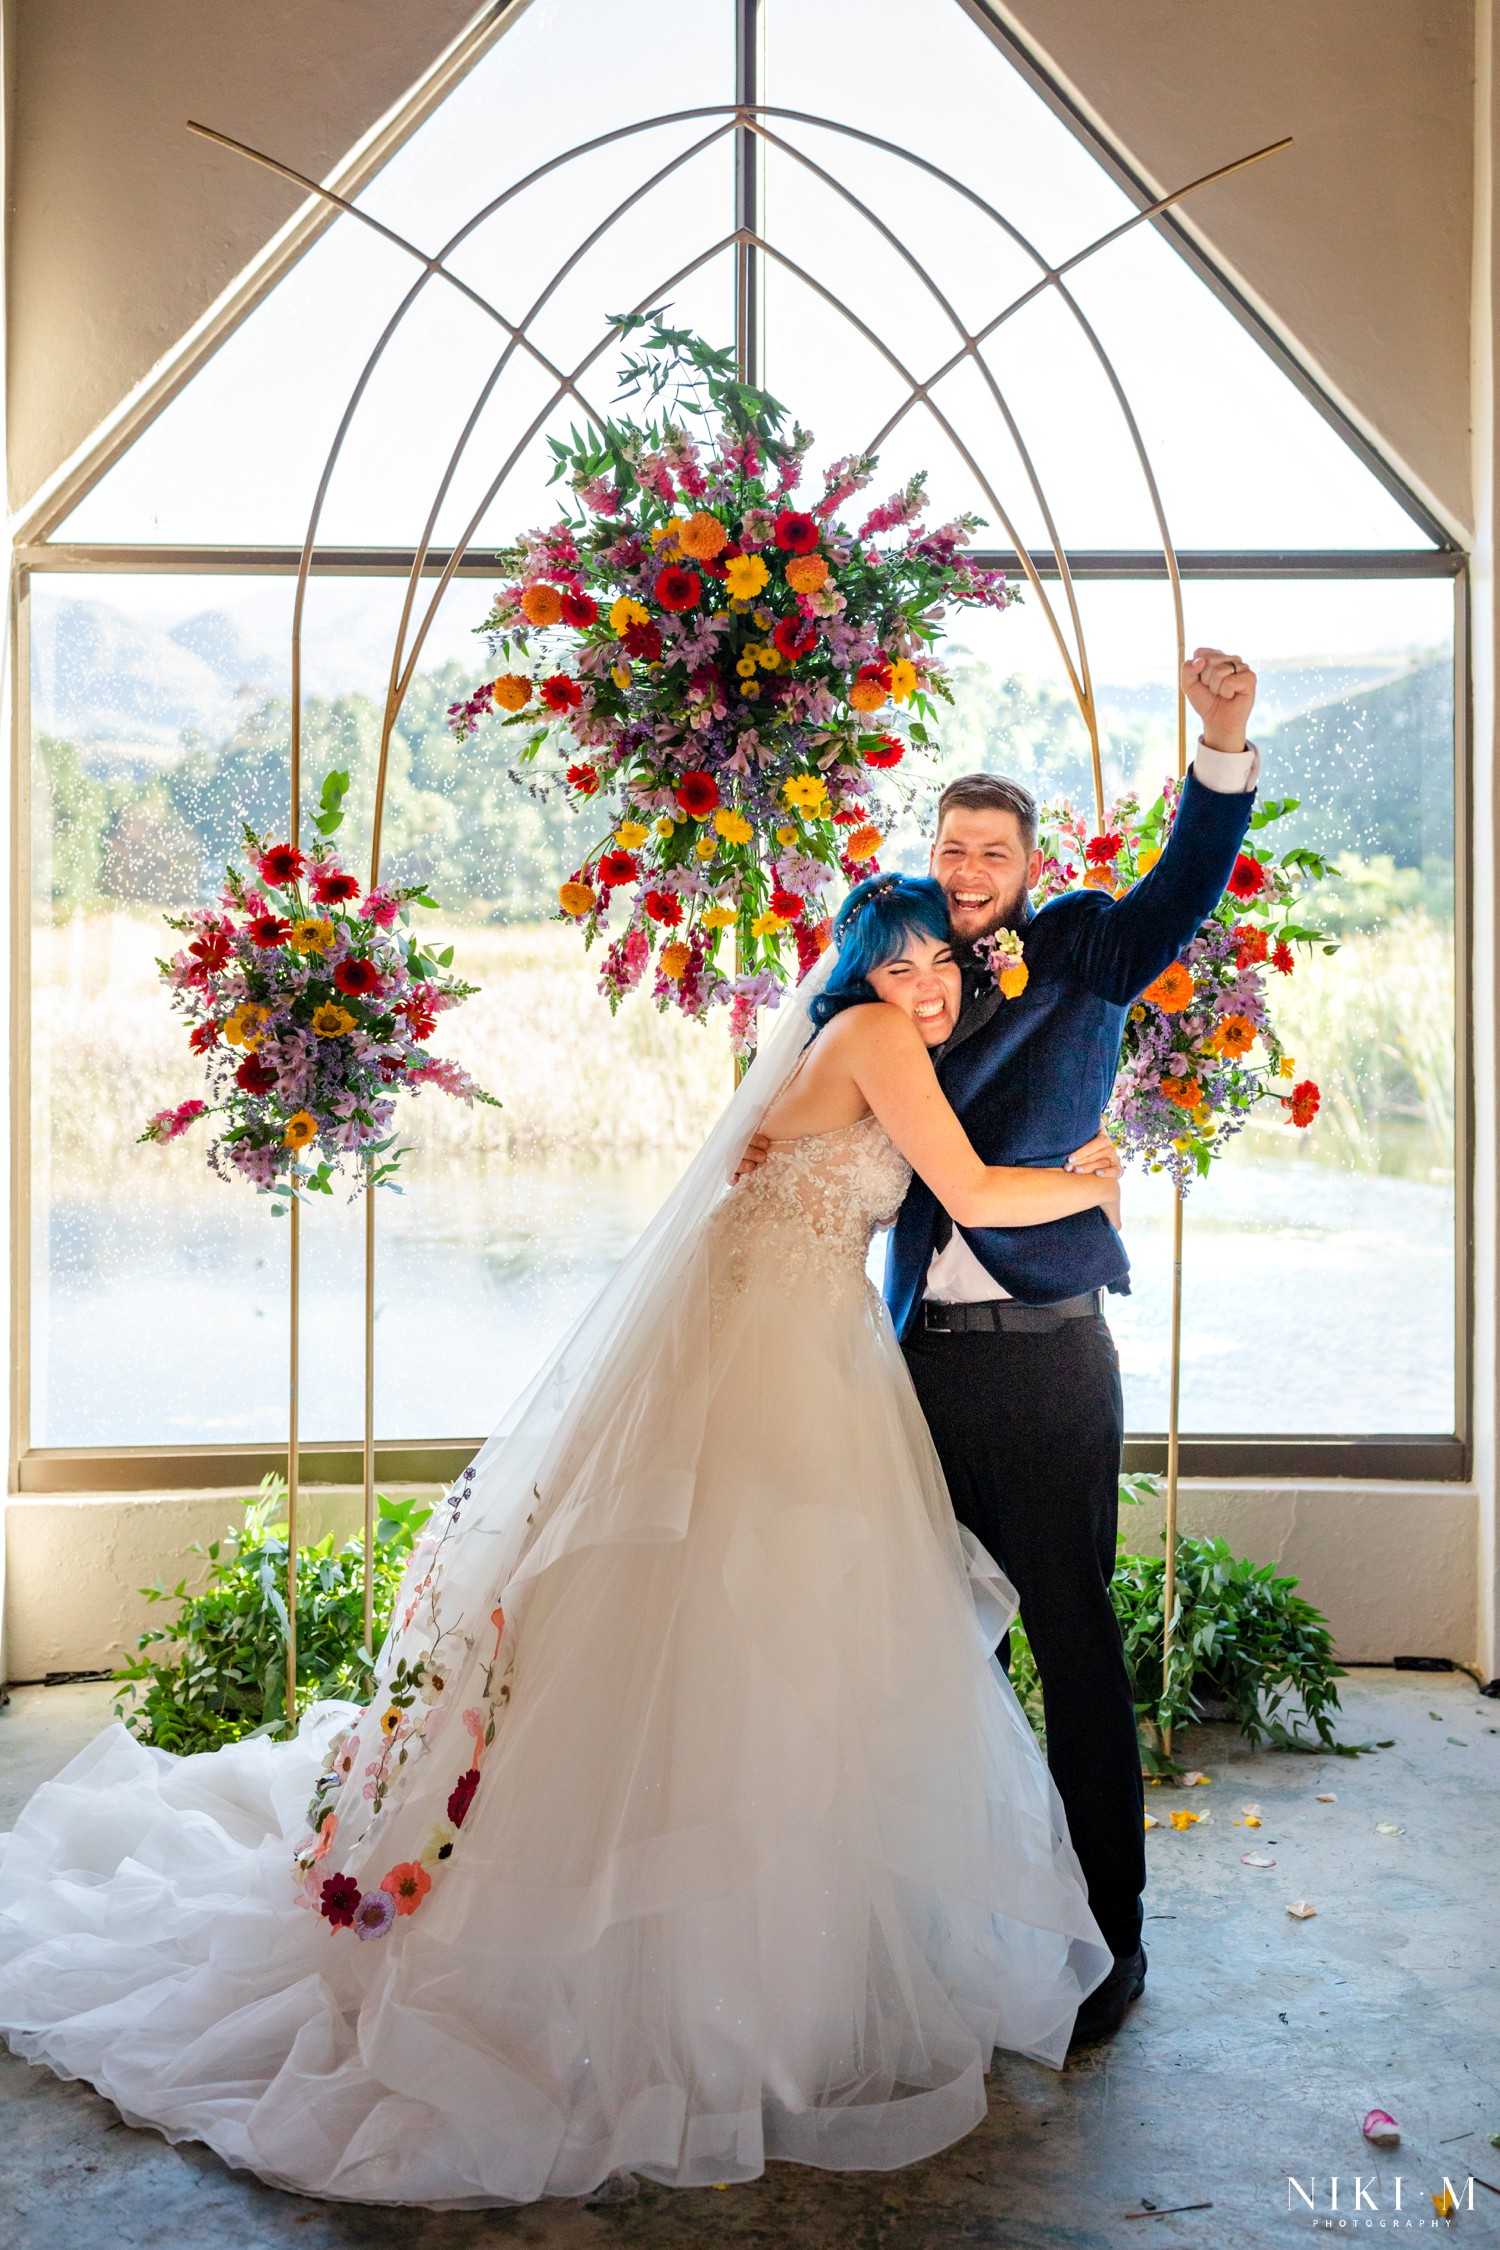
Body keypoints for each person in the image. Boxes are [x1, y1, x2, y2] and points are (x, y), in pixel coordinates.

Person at [0, 876, 1125, 2208]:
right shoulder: (875, 1043)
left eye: (945, 962)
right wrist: (1089, 1173)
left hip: (784, 1339)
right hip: (783, 1363)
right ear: (863, 975)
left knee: (746, 1636)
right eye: (905, 965)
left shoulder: (851, 1041)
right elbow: (979, 1193)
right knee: (768, 1632)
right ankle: (737, 1987)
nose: (930, 986)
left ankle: (764, 1968)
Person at [741, 645, 1261, 2048]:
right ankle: (941, 1931)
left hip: (1044, 1357)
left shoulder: (1083, 946)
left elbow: (1180, 895)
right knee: (920, 1649)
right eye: (951, 844)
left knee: (1073, 1642)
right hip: (907, 1363)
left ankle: (1114, 1937)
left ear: (1029, 865)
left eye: (992, 848)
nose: (968, 866)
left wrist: (1221, 751)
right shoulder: (898, 979)